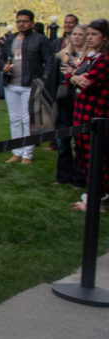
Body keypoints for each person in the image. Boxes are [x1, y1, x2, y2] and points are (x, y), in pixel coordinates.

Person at [0, 9, 53, 164]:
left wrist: (43, 79)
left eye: (25, 21)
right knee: (14, 119)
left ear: (32, 23)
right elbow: (2, 59)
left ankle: (27, 154)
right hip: (11, 84)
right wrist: (4, 66)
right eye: (18, 21)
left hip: (30, 85)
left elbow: (49, 60)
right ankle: (16, 151)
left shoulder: (40, 39)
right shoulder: (10, 39)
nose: (21, 24)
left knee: (27, 119)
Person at [66, 19, 109, 211]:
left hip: (95, 114)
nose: (89, 38)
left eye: (94, 34)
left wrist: (74, 76)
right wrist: (74, 76)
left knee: (97, 158)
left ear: (104, 37)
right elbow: (69, 77)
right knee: (83, 155)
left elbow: (88, 82)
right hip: (81, 114)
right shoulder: (90, 57)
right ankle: (96, 196)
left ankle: (97, 198)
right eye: (88, 34)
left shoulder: (105, 60)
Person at [49, 24, 87, 187]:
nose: (76, 37)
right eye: (74, 34)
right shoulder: (61, 56)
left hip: (82, 103)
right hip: (63, 101)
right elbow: (52, 79)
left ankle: (79, 178)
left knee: (79, 142)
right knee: (62, 141)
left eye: (80, 34)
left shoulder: (90, 58)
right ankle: (62, 176)